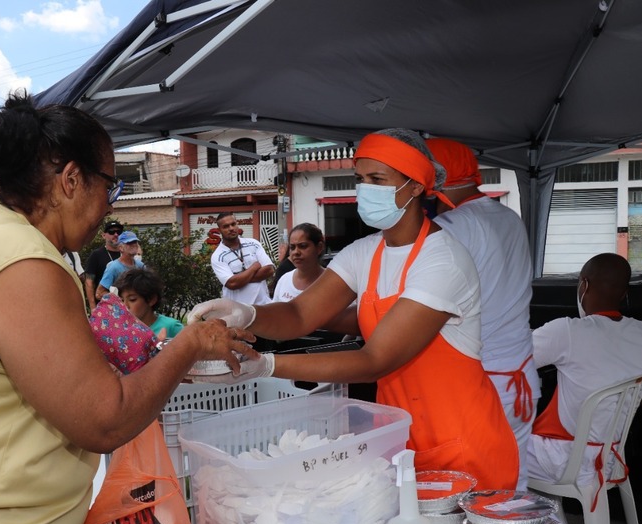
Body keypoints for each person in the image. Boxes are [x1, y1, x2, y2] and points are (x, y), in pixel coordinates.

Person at [0, 90, 256, 524]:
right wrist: (190, 343)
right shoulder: (25, 265)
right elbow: (104, 420)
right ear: (71, 180)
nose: (110, 206)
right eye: (110, 187)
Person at [190, 128, 519, 490]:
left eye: (378, 179)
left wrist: (265, 365)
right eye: (360, 179)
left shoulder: (443, 261)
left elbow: (374, 360)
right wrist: (248, 314)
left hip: (462, 446)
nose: (364, 189)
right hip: (400, 438)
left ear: (414, 187)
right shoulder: (365, 252)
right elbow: (300, 315)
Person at [427, 138, 539, 491]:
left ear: (436, 179)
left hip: (481, 385)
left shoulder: (453, 228)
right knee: (513, 486)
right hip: (521, 379)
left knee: (472, 494)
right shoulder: (510, 218)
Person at [527, 253, 642, 489]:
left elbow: (511, 360)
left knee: (488, 443)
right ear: (623, 293)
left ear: (584, 285)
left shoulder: (567, 331)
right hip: (611, 458)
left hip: (565, 460)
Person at [211, 212, 275, 306]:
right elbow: (232, 284)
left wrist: (240, 279)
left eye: (233, 224)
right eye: (226, 226)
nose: (231, 228)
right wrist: (254, 267)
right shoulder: (218, 256)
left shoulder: (254, 244)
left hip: (263, 306)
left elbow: (269, 270)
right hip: (238, 311)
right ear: (219, 230)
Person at [115, 267, 184, 339]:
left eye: (132, 299)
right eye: (121, 300)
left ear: (152, 299)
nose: (125, 305)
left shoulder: (173, 327)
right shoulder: (120, 328)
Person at [272, 223, 326, 303]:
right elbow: (275, 312)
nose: (296, 252)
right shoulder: (284, 280)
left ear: (319, 248)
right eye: (292, 247)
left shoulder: (333, 282)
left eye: (303, 246)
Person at [83, 220, 123, 310]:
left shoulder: (126, 254)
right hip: (104, 307)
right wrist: (93, 307)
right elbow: (89, 282)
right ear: (103, 235)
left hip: (125, 307)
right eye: (111, 232)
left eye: (119, 232)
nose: (116, 234)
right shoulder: (96, 255)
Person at [95, 230, 144, 299]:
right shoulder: (113, 267)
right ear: (121, 248)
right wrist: (119, 300)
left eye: (135, 242)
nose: (134, 245)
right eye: (129, 243)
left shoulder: (141, 266)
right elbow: (99, 293)